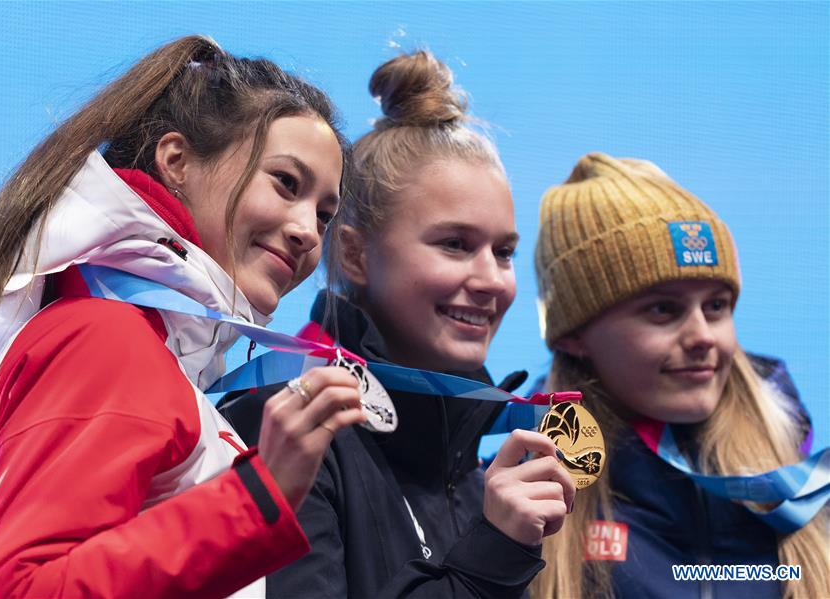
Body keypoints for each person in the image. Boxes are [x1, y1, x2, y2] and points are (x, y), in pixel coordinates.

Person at [0, 35, 369, 598]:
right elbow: (17, 592)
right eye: (285, 184)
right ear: (177, 162)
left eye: (324, 214)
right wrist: (256, 500)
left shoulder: (146, 347)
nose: (307, 232)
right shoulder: (105, 338)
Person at [222, 50, 574, 598]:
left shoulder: (476, 465)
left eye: (503, 252)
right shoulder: (283, 428)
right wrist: (491, 558)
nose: (491, 280)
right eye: (455, 244)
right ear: (355, 255)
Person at [526, 152, 829, 598]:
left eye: (716, 306)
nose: (703, 336)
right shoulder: (522, 505)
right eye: (663, 309)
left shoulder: (802, 485)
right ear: (574, 335)